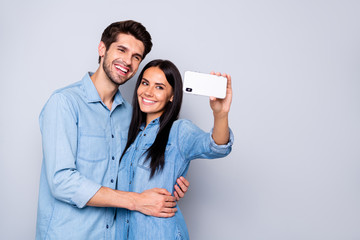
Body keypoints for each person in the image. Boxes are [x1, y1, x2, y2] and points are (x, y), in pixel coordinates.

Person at [36, 20, 190, 240]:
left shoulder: (131, 116)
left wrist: (169, 180)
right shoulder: (65, 103)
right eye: (121, 49)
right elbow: (61, 181)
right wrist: (136, 201)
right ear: (102, 49)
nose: (127, 61)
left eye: (136, 57)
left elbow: (133, 169)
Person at [115, 59, 234, 239]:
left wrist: (220, 114)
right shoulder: (128, 133)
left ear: (172, 96)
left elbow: (216, 146)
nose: (148, 92)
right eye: (145, 83)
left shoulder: (179, 131)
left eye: (159, 87)